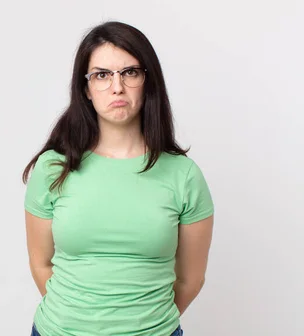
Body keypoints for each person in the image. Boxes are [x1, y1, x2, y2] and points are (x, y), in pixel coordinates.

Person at [22, 21, 214, 336]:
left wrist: (142, 325)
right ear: (85, 88)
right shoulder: (53, 168)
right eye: (101, 75)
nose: (116, 87)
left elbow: (191, 279)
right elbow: (40, 264)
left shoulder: (184, 175)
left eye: (130, 72)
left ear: (148, 81)